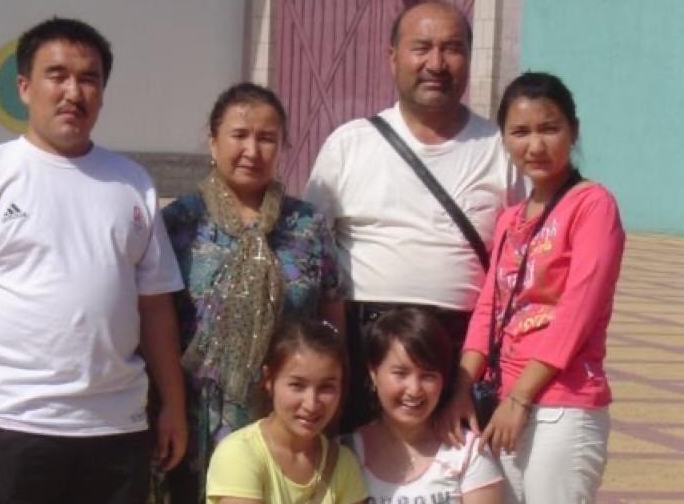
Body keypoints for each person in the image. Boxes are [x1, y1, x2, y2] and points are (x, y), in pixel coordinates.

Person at [0, 18, 187, 504]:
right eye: (56, 75)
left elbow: (155, 308)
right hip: (8, 426)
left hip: (114, 430)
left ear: (102, 92)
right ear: (24, 86)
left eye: (88, 79)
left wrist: (172, 405)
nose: (73, 92)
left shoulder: (133, 184)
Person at [303, 0, 524, 432]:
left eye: (452, 48)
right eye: (421, 47)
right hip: (362, 347)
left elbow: (520, 265)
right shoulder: (349, 144)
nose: (436, 63)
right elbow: (309, 256)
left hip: (460, 358)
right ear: (393, 57)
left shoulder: (500, 150)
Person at [443, 72, 625, 504]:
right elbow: (489, 307)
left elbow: (578, 310)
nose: (535, 145)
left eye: (549, 128)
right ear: (504, 139)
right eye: (520, 132)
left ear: (573, 131)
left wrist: (522, 398)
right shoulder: (511, 218)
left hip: (561, 403)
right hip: (502, 401)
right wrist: (461, 387)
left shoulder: (592, 204)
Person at [160, 82, 344, 501]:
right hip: (199, 413)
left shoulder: (307, 225)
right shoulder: (179, 223)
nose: (252, 150)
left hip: (290, 410)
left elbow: (331, 317)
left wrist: (333, 401)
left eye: (267, 138)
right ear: (213, 140)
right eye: (239, 135)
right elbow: (158, 321)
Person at [206, 317, 368, 504]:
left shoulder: (343, 463)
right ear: (269, 380)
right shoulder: (239, 454)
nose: (311, 404)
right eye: (297, 385)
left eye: (326, 388)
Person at [349, 307, 502, 503]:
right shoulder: (347, 453)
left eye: (428, 376)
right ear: (373, 373)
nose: (414, 390)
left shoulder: (468, 452)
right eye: (400, 373)